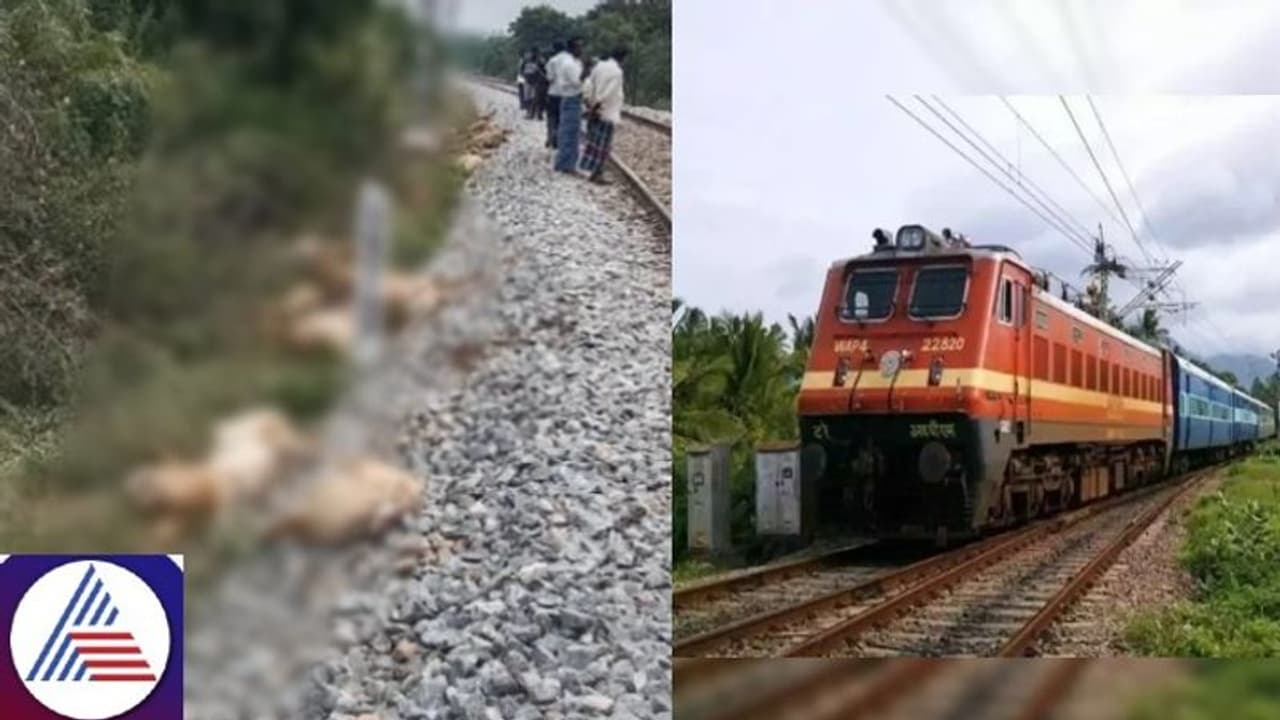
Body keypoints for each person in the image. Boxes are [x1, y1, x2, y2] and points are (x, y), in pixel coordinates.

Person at [579, 47, 628, 184]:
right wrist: (598, 105)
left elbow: (590, 85)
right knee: (603, 145)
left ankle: (592, 170)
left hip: (595, 109)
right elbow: (609, 92)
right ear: (623, 58)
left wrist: (591, 104)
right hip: (606, 111)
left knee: (594, 142)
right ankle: (597, 174)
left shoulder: (599, 66)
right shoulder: (617, 72)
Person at [552, 37, 586, 173]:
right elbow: (577, 82)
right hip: (571, 99)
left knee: (571, 132)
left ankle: (567, 163)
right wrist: (587, 70)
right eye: (579, 47)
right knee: (569, 133)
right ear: (572, 49)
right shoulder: (570, 64)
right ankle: (566, 164)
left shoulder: (574, 62)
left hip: (573, 99)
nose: (582, 50)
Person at [543, 40, 568, 149]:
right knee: (563, 117)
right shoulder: (572, 60)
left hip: (554, 93)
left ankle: (551, 137)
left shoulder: (552, 61)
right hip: (567, 93)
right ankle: (561, 138)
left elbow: (550, 78)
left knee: (552, 117)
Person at [520, 49, 545, 120]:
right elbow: (521, 70)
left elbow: (521, 70)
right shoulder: (528, 61)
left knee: (534, 98)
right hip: (532, 81)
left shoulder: (538, 61)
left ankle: (533, 113)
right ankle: (533, 113)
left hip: (535, 81)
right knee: (532, 98)